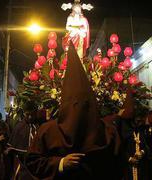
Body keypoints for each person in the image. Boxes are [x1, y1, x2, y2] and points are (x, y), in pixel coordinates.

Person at [25, 43, 122, 180]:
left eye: (85, 105)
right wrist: (60, 163)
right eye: (75, 105)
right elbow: (32, 162)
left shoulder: (107, 132)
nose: (79, 111)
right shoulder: (48, 131)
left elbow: (117, 168)